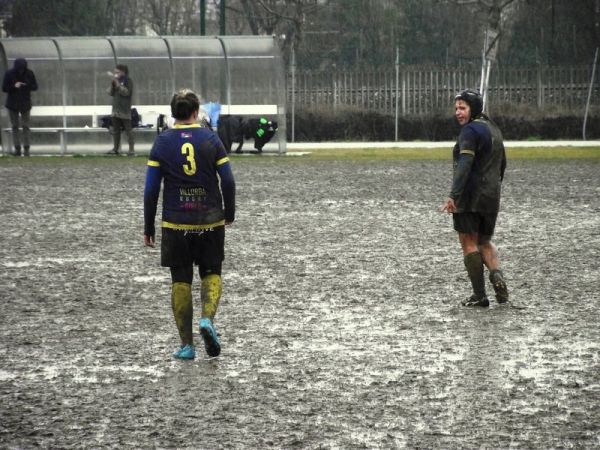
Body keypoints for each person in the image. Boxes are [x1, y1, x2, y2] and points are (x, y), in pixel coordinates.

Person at [143, 89, 236, 360]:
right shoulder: (211, 139)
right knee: (211, 272)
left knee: (180, 280)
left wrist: (148, 227)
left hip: (176, 222)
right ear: (197, 112)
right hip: (209, 219)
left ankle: (186, 346)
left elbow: (151, 190)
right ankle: (207, 319)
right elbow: (228, 181)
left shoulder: (162, 143)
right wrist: (228, 213)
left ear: (174, 114)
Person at [441, 89, 509, 307]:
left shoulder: (470, 131)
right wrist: (493, 189)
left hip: (470, 197)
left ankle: (479, 296)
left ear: (474, 108)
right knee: (484, 242)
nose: (458, 113)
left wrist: (454, 195)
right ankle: (497, 276)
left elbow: (465, 164)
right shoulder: (494, 129)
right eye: (456, 108)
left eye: (462, 108)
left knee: (468, 242)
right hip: (492, 195)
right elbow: (502, 164)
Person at [2, 58, 38, 156]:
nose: (21, 71)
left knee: (25, 126)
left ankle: (26, 148)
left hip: (25, 103)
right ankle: (17, 148)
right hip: (12, 104)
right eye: (19, 69)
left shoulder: (29, 73)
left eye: (22, 69)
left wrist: (26, 85)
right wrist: (14, 86)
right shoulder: (9, 74)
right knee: (15, 126)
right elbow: (4, 88)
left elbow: (35, 86)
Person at [107, 64, 134, 156]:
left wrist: (118, 85)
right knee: (116, 130)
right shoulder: (116, 81)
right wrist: (113, 84)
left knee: (128, 130)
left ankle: (131, 149)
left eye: (117, 72)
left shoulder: (128, 81)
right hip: (115, 110)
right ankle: (115, 149)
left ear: (123, 72)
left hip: (125, 110)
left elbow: (126, 92)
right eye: (115, 72)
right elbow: (110, 93)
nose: (115, 74)